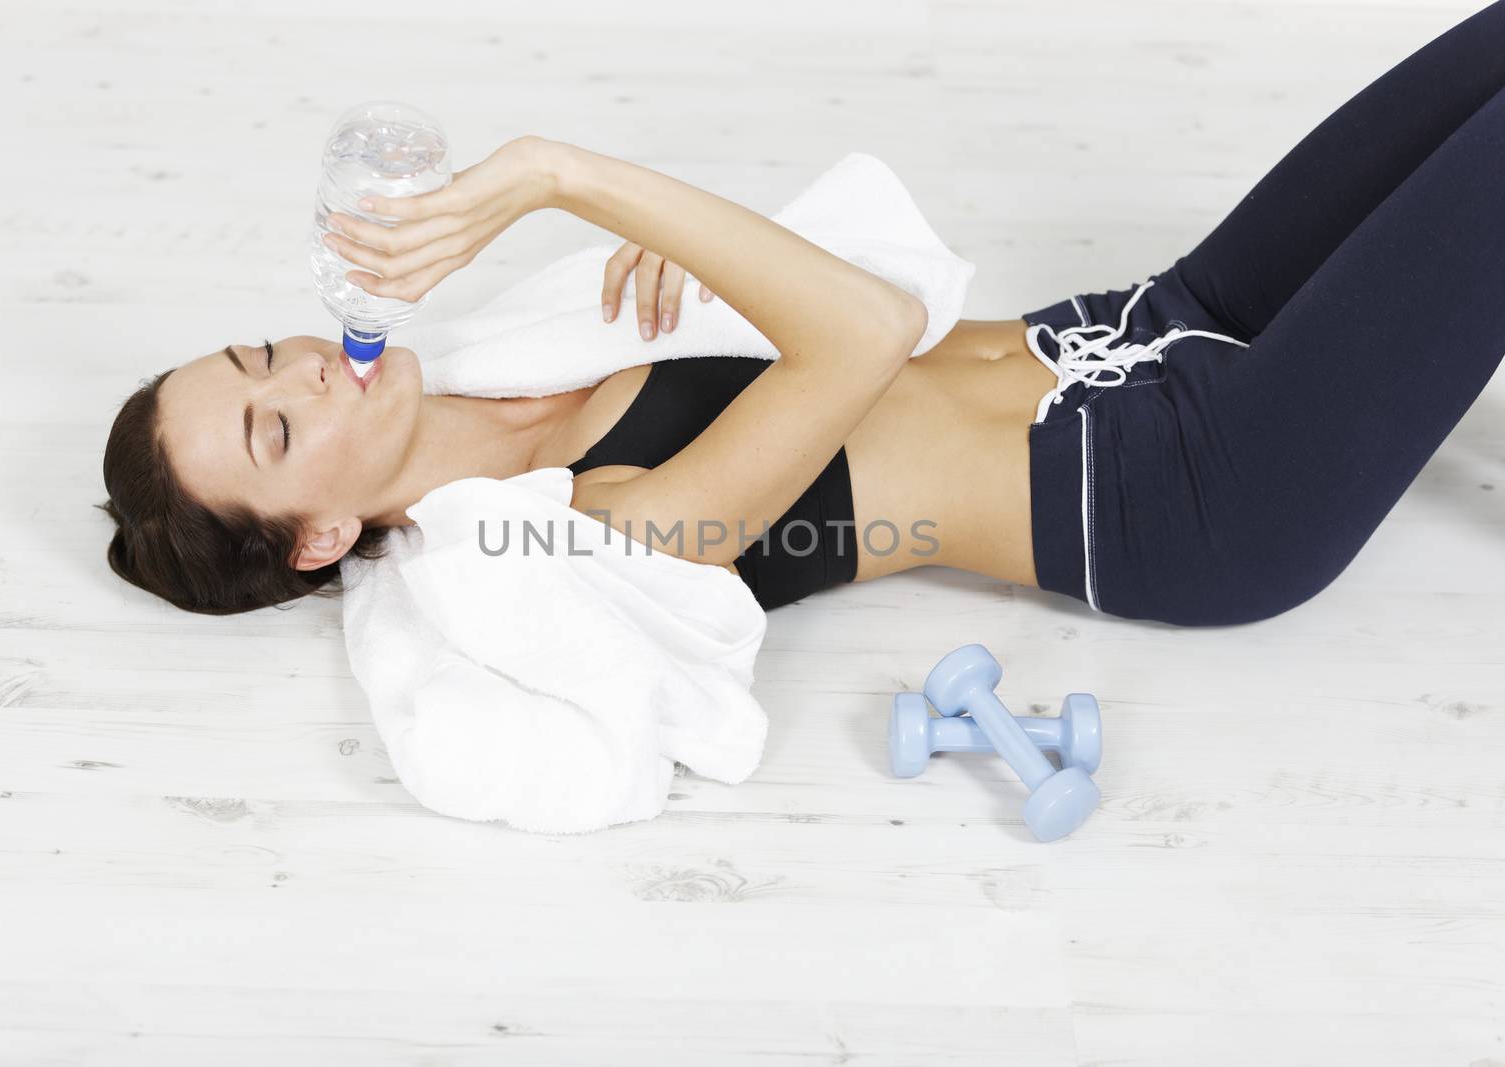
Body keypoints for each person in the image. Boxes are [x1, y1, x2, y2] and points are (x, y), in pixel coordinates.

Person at [101, 1, 1505, 623]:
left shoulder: (528, 345)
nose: (303, 374)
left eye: (258, 357)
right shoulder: (589, 538)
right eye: (276, 434)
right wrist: (555, 173)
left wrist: (691, 265)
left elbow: (811, 299)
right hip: (1194, 494)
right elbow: (866, 329)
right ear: (322, 539)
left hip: (1141, 324)